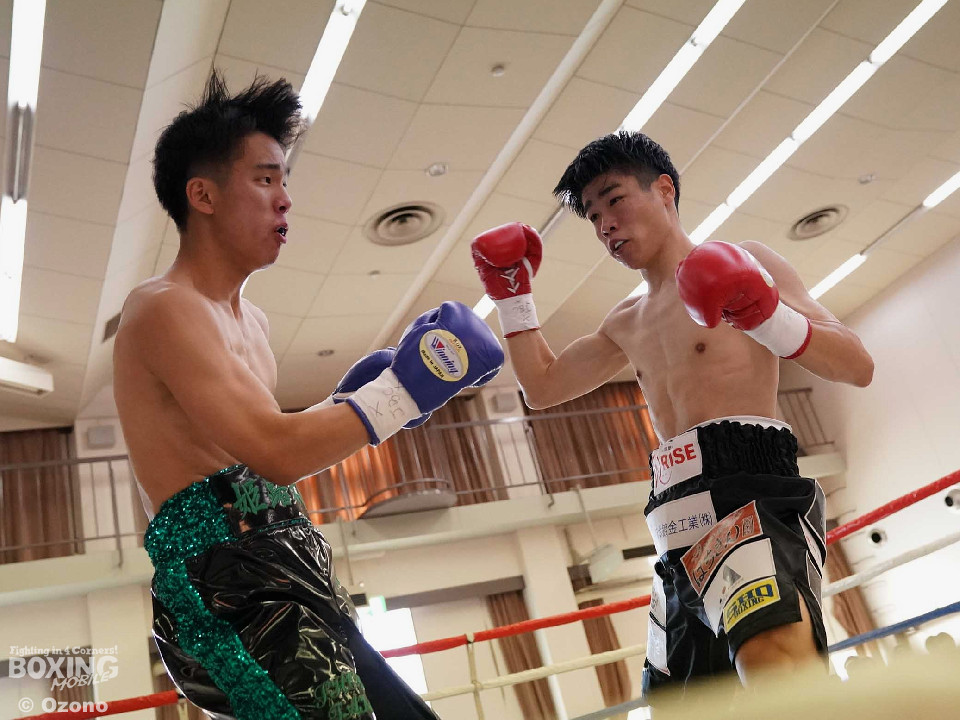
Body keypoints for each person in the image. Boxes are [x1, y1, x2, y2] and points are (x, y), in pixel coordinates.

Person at [113, 72, 504, 720]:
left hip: (295, 557)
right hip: (223, 584)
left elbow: (265, 448)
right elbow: (276, 451)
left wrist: (366, 396)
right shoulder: (161, 307)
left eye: (284, 180)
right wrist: (401, 392)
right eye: (265, 179)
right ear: (202, 194)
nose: (285, 199)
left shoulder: (254, 324)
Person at [469, 131, 874, 699]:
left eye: (614, 199)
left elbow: (857, 364)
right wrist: (512, 296)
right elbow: (542, 386)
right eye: (592, 215)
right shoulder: (625, 320)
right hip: (673, 525)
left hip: (749, 493)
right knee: (679, 706)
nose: (605, 224)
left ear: (664, 190)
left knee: (777, 673)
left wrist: (767, 317)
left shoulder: (747, 261)